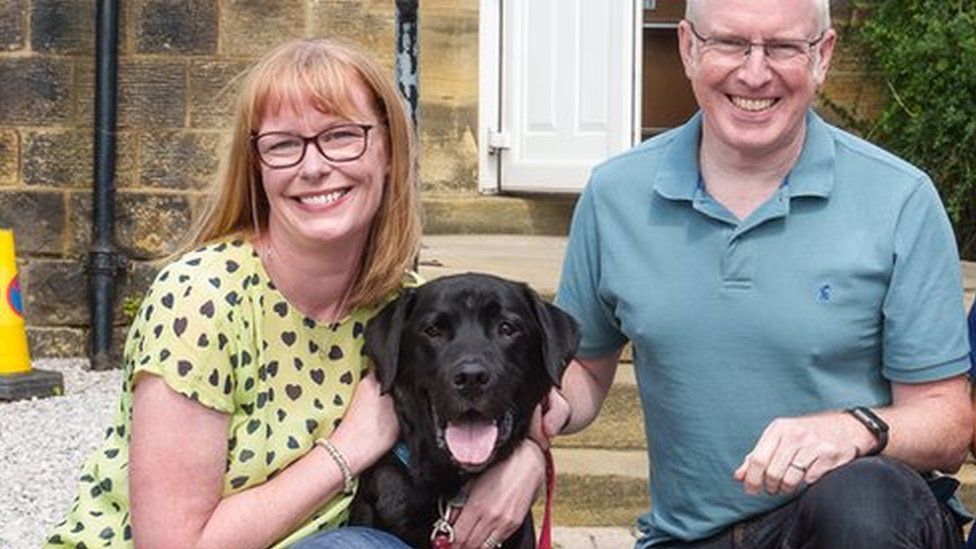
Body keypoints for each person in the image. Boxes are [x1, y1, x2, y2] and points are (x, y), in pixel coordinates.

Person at [46, 38, 545, 549]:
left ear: (390, 151)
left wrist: (528, 459)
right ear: (257, 166)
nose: (313, 166)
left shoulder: (407, 311)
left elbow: (532, 376)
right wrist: (348, 450)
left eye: (342, 135)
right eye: (284, 144)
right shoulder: (202, 299)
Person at [542, 0, 973, 547]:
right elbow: (583, 368)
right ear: (688, 47)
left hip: (854, 525)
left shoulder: (899, 200)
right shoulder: (615, 195)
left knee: (861, 499)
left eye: (784, 47)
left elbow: (948, 421)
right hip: (690, 537)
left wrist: (852, 429)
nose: (753, 71)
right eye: (730, 43)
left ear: (823, 56)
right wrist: (531, 412)